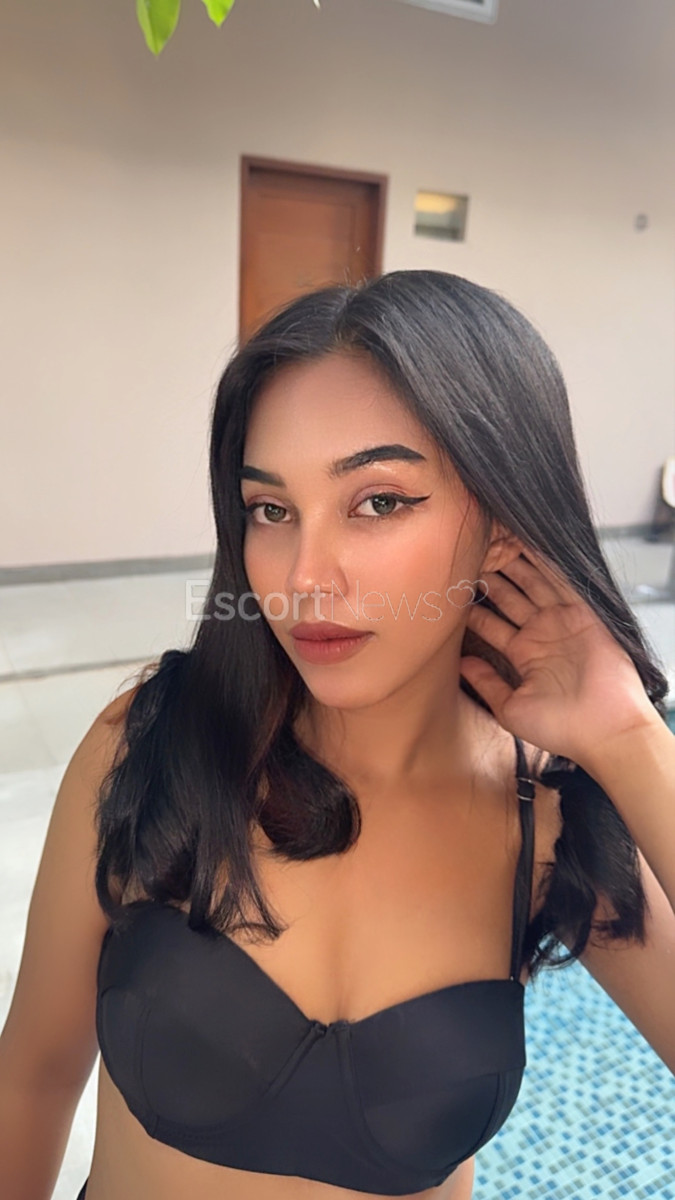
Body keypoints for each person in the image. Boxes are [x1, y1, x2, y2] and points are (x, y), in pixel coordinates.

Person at [1, 270, 674, 1200]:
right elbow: (32, 1077)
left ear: (504, 525)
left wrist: (629, 739)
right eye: (271, 510)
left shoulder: (545, 819)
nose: (304, 577)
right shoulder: (152, 745)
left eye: (378, 501)